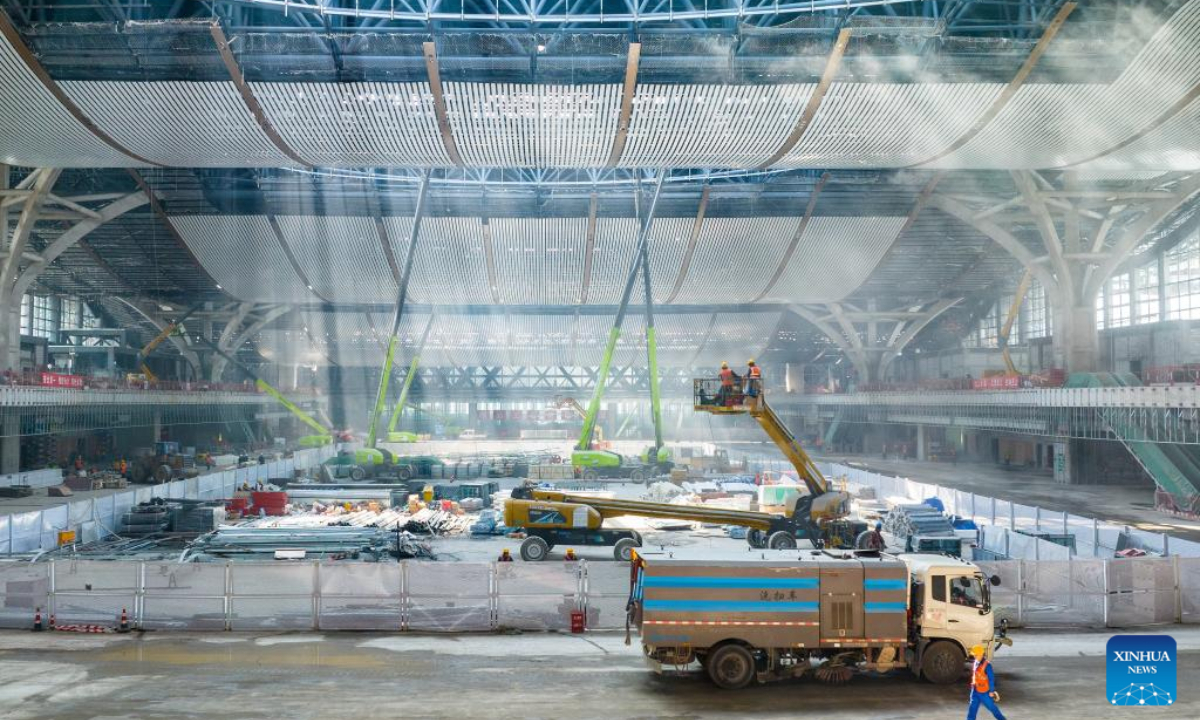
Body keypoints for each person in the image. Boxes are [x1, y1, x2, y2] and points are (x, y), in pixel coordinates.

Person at [966, 644, 1006, 720]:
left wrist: (991, 691)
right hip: (975, 690)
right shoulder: (975, 662)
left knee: (992, 708)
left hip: (984, 692)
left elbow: (991, 679)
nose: (974, 656)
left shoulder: (987, 665)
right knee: (972, 708)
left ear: (980, 655)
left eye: (975, 655)